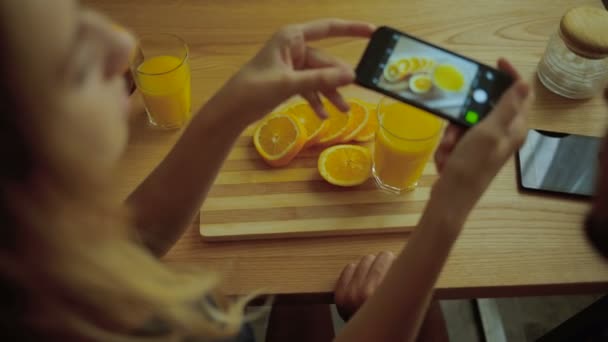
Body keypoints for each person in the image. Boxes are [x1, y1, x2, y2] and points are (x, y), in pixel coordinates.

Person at [0, 0, 533, 341]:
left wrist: (233, 105)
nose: (122, 43)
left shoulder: (35, 257)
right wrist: (450, 208)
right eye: (73, 63)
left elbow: (129, 240)